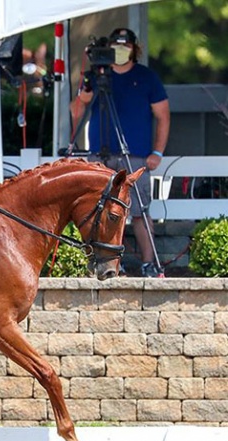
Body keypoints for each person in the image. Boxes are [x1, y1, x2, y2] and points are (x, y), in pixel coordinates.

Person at [70, 27, 170, 278]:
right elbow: (76, 110)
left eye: (125, 46)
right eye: (116, 46)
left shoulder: (146, 77)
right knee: (99, 211)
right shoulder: (96, 76)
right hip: (100, 156)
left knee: (139, 212)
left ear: (135, 49)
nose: (121, 51)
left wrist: (157, 151)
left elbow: (163, 116)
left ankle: (149, 263)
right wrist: (86, 90)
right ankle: (106, 263)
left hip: (134, 156)